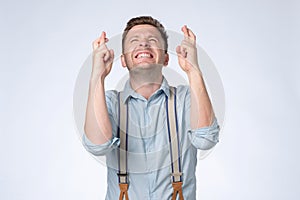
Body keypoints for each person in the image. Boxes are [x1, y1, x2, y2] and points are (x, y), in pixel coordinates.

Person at [83, 16, 220, 200]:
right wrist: (97, 76)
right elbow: (97, 146)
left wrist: (193, 69)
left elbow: (206, 140)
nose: (143, 45)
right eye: (135, 41)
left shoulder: (186, 98)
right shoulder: (111, 103)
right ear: (123, 60)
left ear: (165, 58)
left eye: (152, 40)